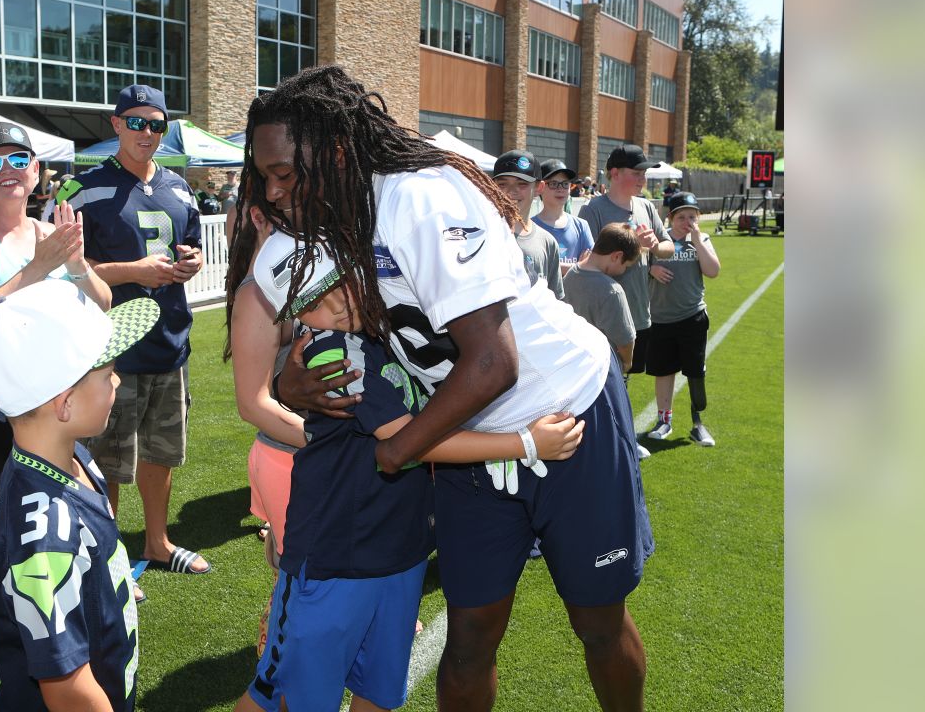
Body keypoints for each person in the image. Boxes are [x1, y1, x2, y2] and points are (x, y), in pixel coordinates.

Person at [242, 65, 653, 712]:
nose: (273, 190)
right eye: (265, 176)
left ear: (338, 150)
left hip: (565, 405)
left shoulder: (419, 195)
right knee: (467, 636)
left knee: (597, 622)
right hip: (468, 429)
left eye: (285, 173)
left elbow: (494, 361)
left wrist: (396, 451)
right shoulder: (336, 215)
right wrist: (292, 385)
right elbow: (333, 322)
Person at [234, 232, 584, 712]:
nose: (336, 305)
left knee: (379, 691)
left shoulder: (386, 331)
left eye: (339, 284)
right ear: (292, 313)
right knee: (287, 696)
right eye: (313, 300)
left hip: (399, 550)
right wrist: (522, 443)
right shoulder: (335, 352)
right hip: (335, 556)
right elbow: (411, 440)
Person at [0, 280, 159, 712]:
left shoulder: (72, 458)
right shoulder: (45, 534)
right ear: (64, 404)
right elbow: (67, 689)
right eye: (107, 374)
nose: (118, 380)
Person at [0, 121, 111, 639]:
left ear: (36, 170)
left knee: (46, 516)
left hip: (47, 404)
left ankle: (51, 620)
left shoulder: (49, 233)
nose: (8, 171)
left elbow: (101, 302)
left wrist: (74, 265)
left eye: (18, 160)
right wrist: (39, 269)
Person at [52, 84, 211, 576]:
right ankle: (108, 555)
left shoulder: (180, 185)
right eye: (137, 122)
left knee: (161, 453)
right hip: (110, 347)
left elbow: (190, 244)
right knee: (108, 458)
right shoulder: (82, 187)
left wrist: (193, 261)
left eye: (157, 124)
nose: (148, 133)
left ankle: (158, 544)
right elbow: (61, 265)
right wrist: (131, 271)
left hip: (169, 341)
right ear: (116, 124)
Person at [222, 190, 306, 656]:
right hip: (290, 453)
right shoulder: (259, 291)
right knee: (297, 570)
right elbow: (252, 404)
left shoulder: (319, 268)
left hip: (304, 451)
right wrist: (331, 439)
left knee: (296, 554)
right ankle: (277, 625)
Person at [578, 144, 675, 461]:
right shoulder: (593, 210)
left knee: (623, 380)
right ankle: (599, 440)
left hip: (638, 312)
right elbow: (586, 259)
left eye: (644, 173)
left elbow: (668, 247)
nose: (642, 179)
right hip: (600, 314)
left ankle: (621, 439)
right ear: (614, 173)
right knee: (595, 381)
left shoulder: (646, 207)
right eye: (636, 172)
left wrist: (654, 246)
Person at [644, 192, 722, 447]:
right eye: (681, 216)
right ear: (671, 218)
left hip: (692, 317)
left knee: (694, 371)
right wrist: (651, 269)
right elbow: (635, 269)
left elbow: (713, 271)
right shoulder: (658, 241)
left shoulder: (701, 239)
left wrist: (698, 241)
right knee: (664, 371)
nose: (687, 221)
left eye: (692, 216)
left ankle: (697, 423)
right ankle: (663, 420)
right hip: (660, 318)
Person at [563, 222, 640, 372]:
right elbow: (625, 341)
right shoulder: (612, 291)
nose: (623, 271)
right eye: (626, 266)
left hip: (573, 365)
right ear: (617, 256)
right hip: (602, 369)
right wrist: (627, 362)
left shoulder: (571, 274)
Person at [492, 149, 564, 300]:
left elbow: (554, 302)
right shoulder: (484, 236)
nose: (511, 191)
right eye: (503, 184)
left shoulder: (547, 242)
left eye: (522, 184)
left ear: (539, 188)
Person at [534, 158, 594, 276]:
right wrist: (578, 267)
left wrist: (553, 266)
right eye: (553, 184)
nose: (560, 189)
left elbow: (591, 265)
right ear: (540, 188)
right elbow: (535, 268)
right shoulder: (531, 227)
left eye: (565, 184)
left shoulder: (581, 226)